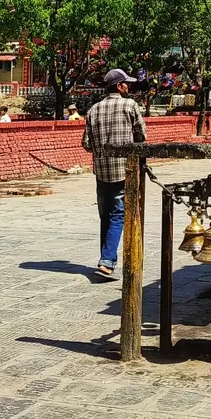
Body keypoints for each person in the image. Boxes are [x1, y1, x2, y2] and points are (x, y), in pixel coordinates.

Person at [80, 69, 146, 278]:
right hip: (123, 170)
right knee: (118, 215)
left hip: (101, 171)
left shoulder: (93, 109)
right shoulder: (130, 105)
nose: (128, 86)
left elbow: (86, 143)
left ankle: (105, 258)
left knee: (106, 216)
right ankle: (107, 261)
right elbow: (141, 136)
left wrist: (102, 152)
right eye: (126, 83)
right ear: (119, 86)